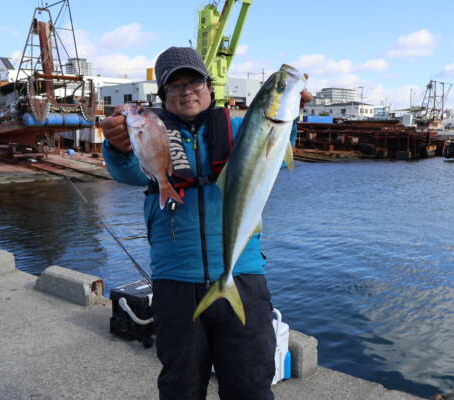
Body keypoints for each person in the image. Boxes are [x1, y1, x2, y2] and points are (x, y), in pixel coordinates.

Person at [101, 46, 312, 400]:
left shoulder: (239, 127)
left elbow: (271, 153)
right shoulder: (151, 130)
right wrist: (119, 148)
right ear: (163, 95)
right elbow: (129, 172)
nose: (187, 91)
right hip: (175, 279)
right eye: (175, 85)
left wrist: (290, 114)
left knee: (250, 385)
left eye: (195, 81)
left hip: (242, 274)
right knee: (180, 386)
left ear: (209, 86)